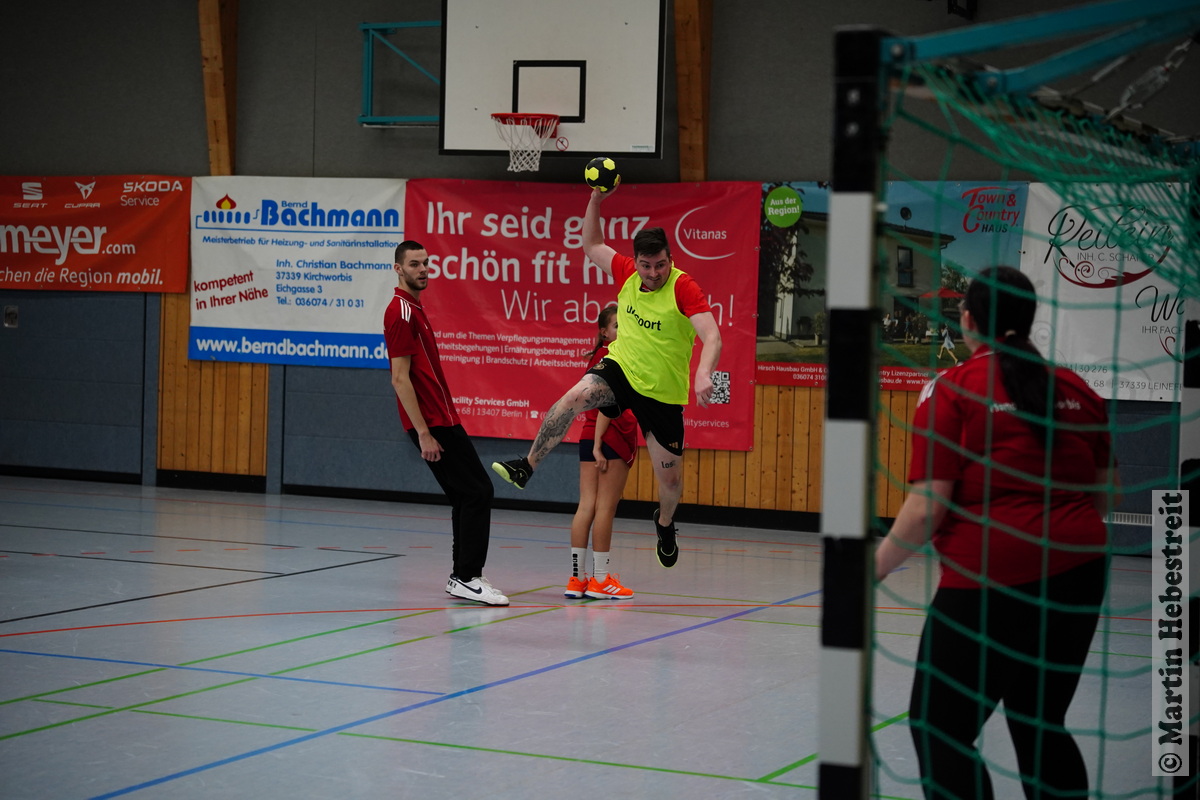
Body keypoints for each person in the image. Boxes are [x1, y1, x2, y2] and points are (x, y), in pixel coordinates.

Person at [875, 266, 1119, 800]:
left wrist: (870, 570)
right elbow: (1106, 497)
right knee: (1040, 720)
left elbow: (927, 508)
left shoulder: (952, 389)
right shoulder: (1078, 388)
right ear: (1028, 320)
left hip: (991, 579)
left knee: (939, 727)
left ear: (967, 320)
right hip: (1080, 573)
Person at [492, 186, 723, 569]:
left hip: (662, 395)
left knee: (670, 482)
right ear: (637, 262)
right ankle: (527, 465)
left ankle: (665, 524)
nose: (653, 274)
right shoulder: (627, 271)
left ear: (670, 258)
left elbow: (712, 335)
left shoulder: (683, 287)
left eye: (660, 265)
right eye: (646, 266)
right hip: (621, 370)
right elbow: (591, 244)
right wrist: (596, 200)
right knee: (572, 398)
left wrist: (703, 372)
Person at [385, 240, 509, 606]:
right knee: (479, 491)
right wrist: (423, 432)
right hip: (432, 422)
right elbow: (399, 378)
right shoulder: (400, 312)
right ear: (398, 269)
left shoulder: (415, 309)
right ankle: (467, 576)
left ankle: (463, 575)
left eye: (425, 263)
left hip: (442, 417)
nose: (423, 269)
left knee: (465, 495)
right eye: (414, 264)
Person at [566, 305, 639, 600]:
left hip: (589, 434)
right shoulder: (613, 358)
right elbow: (606, 406)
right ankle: (600, 580)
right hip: (609, 438)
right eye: (618, 326)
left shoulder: (598, 356)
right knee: (605, 508)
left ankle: (576, 580)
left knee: (586, 506)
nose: (624, 330)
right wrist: (598, 445)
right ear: (604, 332)